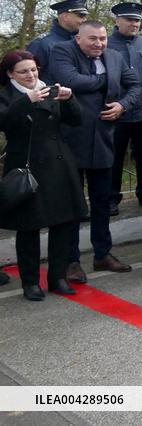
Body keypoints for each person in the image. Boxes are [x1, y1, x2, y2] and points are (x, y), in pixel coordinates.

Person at [47, 20, 142, 280]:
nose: (99, 44)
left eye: (102, 39)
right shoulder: (62, 51)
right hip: (71, 140)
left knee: (102, 202)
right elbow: (70, 80)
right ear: (79, 39)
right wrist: (107, 80)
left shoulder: (113, 56)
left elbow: (135, 85)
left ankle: (103, 254)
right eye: (93, 39)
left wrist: (122, 105)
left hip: (104, 139)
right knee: (73, 204)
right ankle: (70, 260)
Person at [0, 51, 87, 301]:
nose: (31, 75)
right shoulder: (6, 95)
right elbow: (4, 122)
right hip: (26, 166)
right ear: (10, 74)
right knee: (29, 227)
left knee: (63, 223)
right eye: (24, 71)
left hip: (59, 163)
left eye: (34, 70)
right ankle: (30, 282)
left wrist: (69, 99)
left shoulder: (48, 89)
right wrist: (27, 100)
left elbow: (76, 120)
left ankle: (57, 277)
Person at [107, 2, 142, 215]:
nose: (134, 23)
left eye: (137, 20)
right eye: (129, 19)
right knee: (113, 159)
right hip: (116, 113)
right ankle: (111, 199)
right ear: (117, 21)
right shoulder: (106, 45)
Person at [27, 0, 89, 81]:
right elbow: (29, 77)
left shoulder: (80, 42)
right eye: (81, 16)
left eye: (85, 17)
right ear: (65, 16)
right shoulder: (41, 43)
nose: (84, 20)